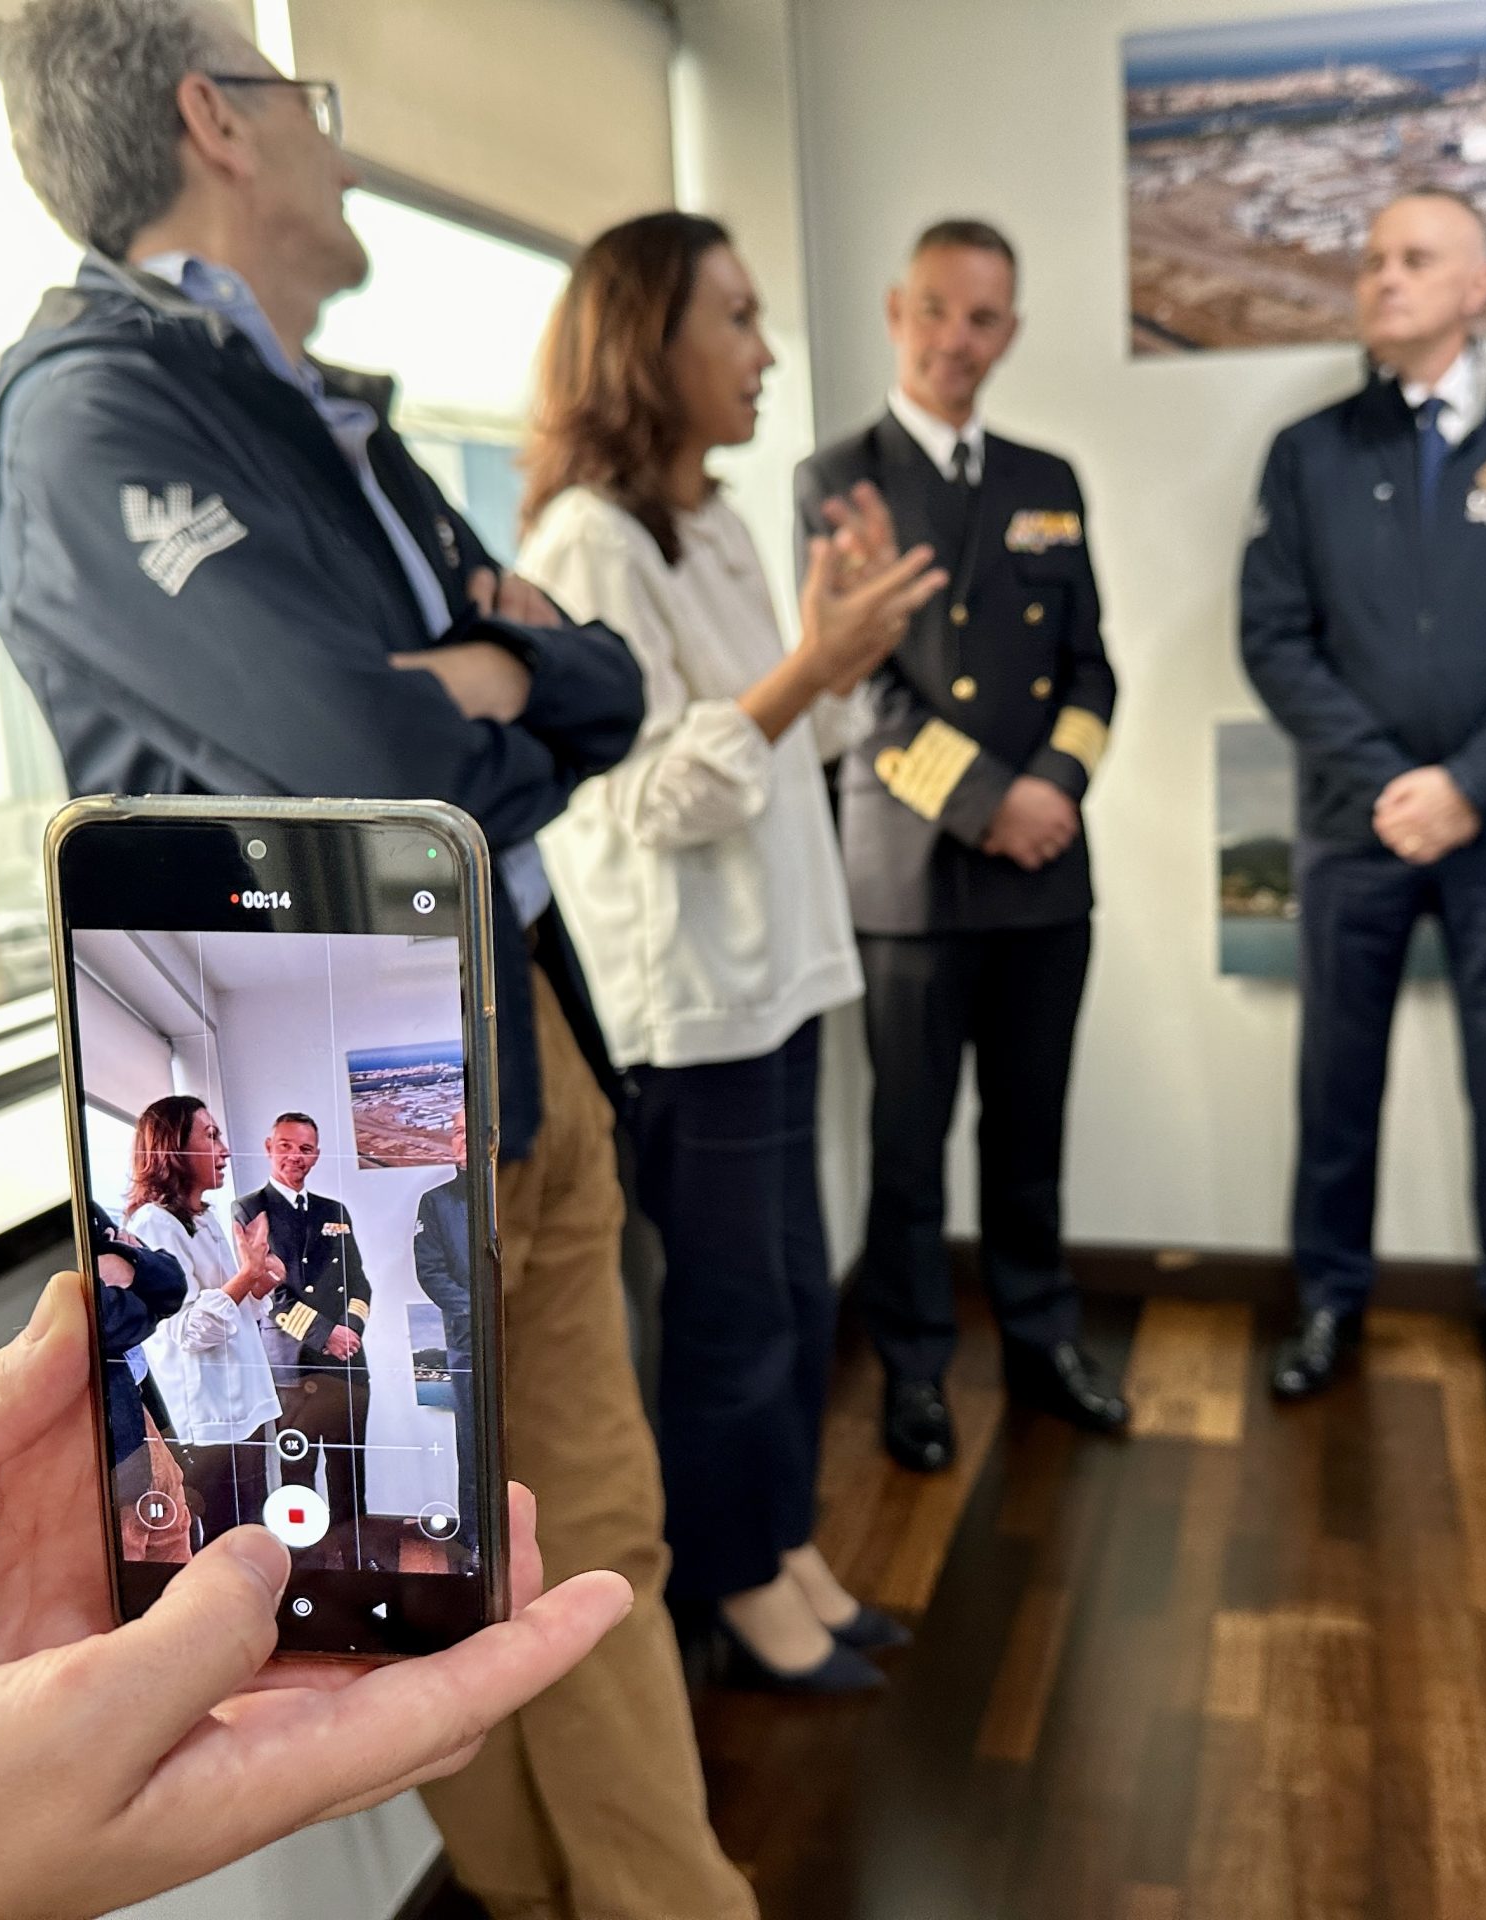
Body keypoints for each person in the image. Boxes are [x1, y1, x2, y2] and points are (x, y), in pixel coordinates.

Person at [0, 5, 752, 1910]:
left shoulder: (332, 416)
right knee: (438, 1591)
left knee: (600, 1551)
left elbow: (604, 682)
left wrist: (502, 677)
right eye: (308, 98)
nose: (344, 139)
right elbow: (376, 763)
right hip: (390, 1072)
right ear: (210, 122)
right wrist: (485, 683)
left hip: (526, 1047)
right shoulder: (93, 415)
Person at [0, 1272, 629, 1917]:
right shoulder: (192, 1237)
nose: (283, 1156)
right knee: (232, 1551)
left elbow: (335, 1306)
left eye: (298, 1147)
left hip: (286, 1398)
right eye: (273, 1144)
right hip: (232, 1417)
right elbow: (178, 1309)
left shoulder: (306, 1214)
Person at [519, 211, 944, 1689]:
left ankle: (785, 1546)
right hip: (691, 1002)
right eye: (739, 322)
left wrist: (842, 654)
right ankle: (737, 1583)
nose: (767, 355)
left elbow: (804, 737)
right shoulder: (586, 542)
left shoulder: (717, 522)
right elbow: (639, 798)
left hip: (781, 971)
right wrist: (805, 670)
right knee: (726, 1315)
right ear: (652, 344)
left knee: (787, 1286)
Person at [1239, 187, 1486, 1416]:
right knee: (1334, 1082)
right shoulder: (1307, 456)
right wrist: (1391, 783)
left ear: (1476, 287)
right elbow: (1274, 640)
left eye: (1413, 259)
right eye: (1370, 261)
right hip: (1355, 831)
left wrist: (1466, 784)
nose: (1381, 279)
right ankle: (1329, 1299)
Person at [794, 219, 1132, 1475]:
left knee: (1030, 1133)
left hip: (1047, 878)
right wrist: (988, 800)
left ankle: (1042, 1342)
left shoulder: (1049, 477)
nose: (955, 339)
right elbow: (858, 694)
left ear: (1011, 332)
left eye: (982, 318)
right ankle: (917, 1371)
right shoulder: (836, 481)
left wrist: (1053, 788)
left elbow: (1092, 666)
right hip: (914, 881)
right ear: (896, 310)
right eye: (935, 309)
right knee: (908, 1148)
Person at [124, 1094, 286, 1546]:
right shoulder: (154, 1225)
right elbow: (190, 1331)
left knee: (252, 1526)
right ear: (174, 1148)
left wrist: (260, 1283)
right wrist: (247, 1275)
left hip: (242, 1408)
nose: (225, 1150)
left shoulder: (208, 1218)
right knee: (222, 1540)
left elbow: (236, 1312)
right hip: (209, 1421)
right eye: (210, 1136)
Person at [234, 1113, 374, 1567]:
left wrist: (350, 1331)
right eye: (287, 1146)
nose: (297, 1156)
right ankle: (308, 1564)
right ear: (269, 1146)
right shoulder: (249, 1208)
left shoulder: (335, 1211)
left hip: (346, 1359)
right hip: (292, 1358)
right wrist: (322, 1334)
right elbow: (266, 1291)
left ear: (317, 1153)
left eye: (307, 1148)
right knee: (297, 1470)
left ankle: (355, 1556)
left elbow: (360, 1283)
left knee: (349, 1467)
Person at [91, 1202, 194, 1563]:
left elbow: (172, 1286)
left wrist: (123, 1268)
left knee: (176, 1551)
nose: (222, 1153)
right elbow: (100, 1324)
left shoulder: (86, 1207)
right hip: (101, 1446)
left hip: (140, 1419)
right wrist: (139, 1287)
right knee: (130, 1572)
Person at [411, 1135, 481, 1553]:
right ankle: (475, 1543)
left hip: (524, 1341)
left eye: (469, 1129)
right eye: (457, 1132)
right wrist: (482, 1310)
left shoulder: (508, 1189)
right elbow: (431, 1272)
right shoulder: (435, 1203)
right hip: (467, 1342)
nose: (465, 1140)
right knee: (472, 1450)